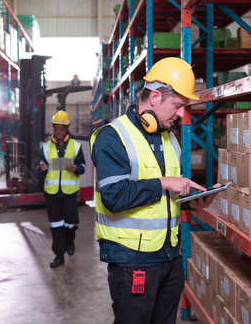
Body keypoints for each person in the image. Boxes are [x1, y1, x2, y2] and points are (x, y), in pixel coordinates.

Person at [90, 57, 221, 323]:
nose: (181, 114)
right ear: (155, 97)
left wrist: (194, 201)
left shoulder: (169, 137)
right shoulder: (112, 137)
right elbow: (114, 197)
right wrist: (164, 182)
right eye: (177, 105)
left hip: (169, 255)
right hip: (132, 259)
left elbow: (165, 198)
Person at [39, 110, 86, 268]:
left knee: (70, 224)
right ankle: (59, 256)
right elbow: (42, 168)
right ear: (53, 129)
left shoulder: (76, 146)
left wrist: (76, 169)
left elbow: (83, 166)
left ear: (67, 129)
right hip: (52, 193)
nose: (58, 132)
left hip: (69, 193)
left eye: (61, 128)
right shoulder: (46, 147)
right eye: (55, 128)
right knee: (55, 225)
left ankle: (70, 240)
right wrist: (42, 168)